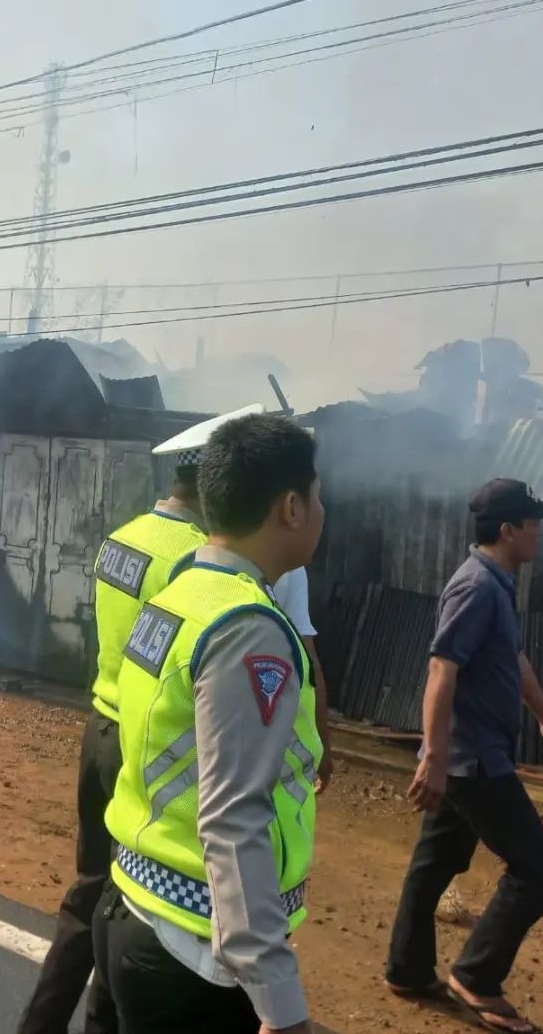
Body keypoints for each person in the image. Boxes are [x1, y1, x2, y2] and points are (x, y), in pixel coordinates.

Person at [18, 404, 262, 1034]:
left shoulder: (122, 538)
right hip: (141, 742)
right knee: (135, 901)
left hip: (97, 728)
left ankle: (40, 1022)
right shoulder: (193, 558)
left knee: (91, 889)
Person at [94, 412, 325, 1034]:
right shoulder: (247, 629)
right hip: (191, 950)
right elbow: (233, 817)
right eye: (318, 494)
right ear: (292, 509)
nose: (322, 510)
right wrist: (280, 1004)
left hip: (132, 905)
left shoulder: (178, 598)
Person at [385, 479, 543, 1034]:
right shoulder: (476, 587)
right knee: (539, 871)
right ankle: (477, 975)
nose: (541, 533)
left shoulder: (497, 583)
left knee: (435, 864)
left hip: (472, 755)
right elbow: (441, 669)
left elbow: (510, 657)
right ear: (508, 530)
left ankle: (408, 969)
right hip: (472, 761)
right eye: (534, 523)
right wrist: (436, 759)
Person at [268, 566, 335, 793]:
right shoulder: (290, 567)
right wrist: (322, 747)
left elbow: (308, 663)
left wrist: (323, 745)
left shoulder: (291, 570)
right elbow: (308, 662)